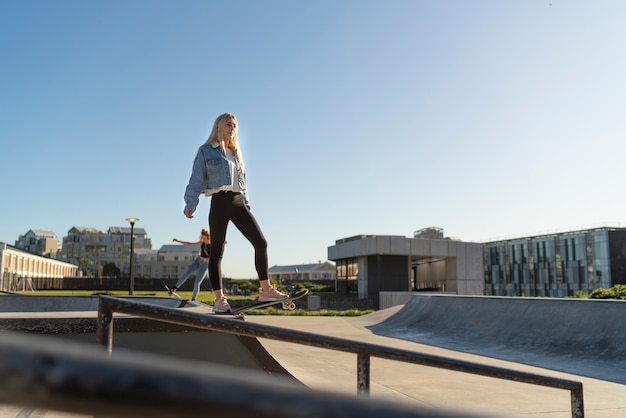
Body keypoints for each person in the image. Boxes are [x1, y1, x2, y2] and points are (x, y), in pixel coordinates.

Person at [182, 112, 288, 313]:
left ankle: (265, 290)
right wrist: (190, 203)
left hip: (239, 202)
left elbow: (243, 185)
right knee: (217, 253)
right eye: (228, 125)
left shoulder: (237, 153)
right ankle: (219, 299)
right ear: (219, 126)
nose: (232, 129)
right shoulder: (206, 151)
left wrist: (246, 206)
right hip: (219, 202)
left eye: (235, 126)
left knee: (260, 242)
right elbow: (195, 181)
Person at [167, 229, 211, 301]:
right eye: (202, 238)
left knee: (197, 282)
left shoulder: (213, 244)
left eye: (204, 238)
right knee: (187, 273)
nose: (203, 240)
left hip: (205, 265)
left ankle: (193, 299)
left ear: (208, 237)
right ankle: (174, 288)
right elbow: (190, 244)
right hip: (198, 261)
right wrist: (178, 241)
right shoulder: (201, 243)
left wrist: (223, 242)